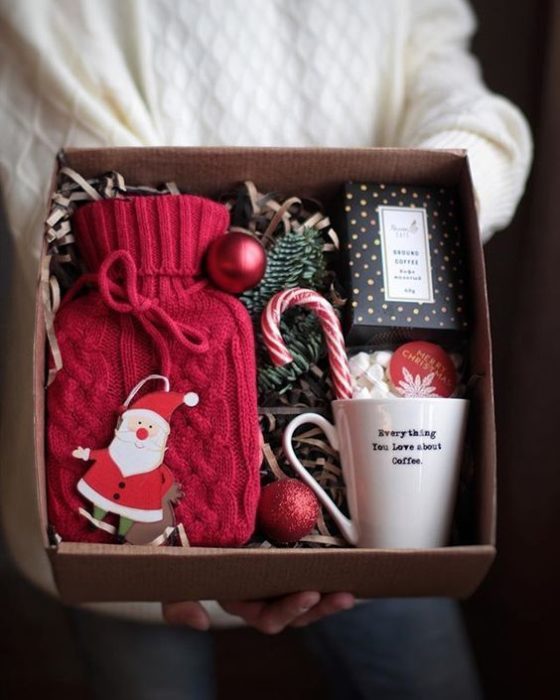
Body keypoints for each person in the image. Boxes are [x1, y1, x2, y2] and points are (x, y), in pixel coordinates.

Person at [0, 0, 531, 698]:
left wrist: (440, 194)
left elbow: (451, 83)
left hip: (377, 537)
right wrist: (180, 549)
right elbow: (49, 119)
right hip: (115, 559)